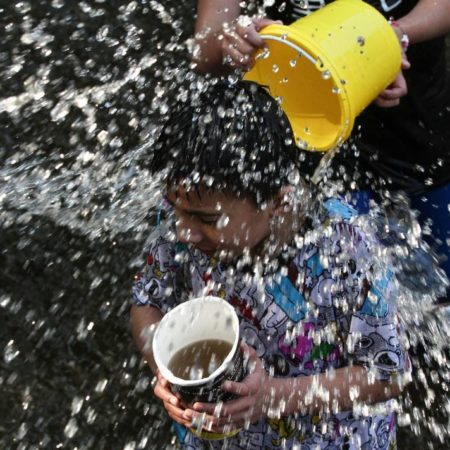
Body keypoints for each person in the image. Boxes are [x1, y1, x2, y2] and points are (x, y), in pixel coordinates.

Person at [131, 80, 410, 449]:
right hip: (220, 436)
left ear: (278, 202)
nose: (183, 232)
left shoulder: (343, 251)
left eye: (206, 221)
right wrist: (161, 364)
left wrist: (273, 397)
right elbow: (146, 301)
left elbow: (389, 374)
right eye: (176, 209)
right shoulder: (187, 209)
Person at [192, 0, 450, 302]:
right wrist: (232, 40)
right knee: (350, 296)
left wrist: (393, 36)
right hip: (312, 143)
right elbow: (204, 50)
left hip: (419, 137)